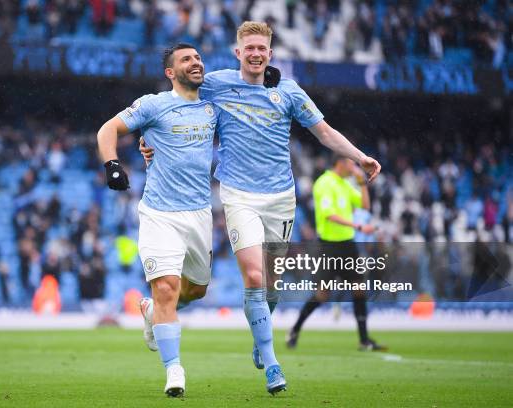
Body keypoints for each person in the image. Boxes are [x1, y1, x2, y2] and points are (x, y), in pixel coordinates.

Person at [141, 21, 381, 395]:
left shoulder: (288, 91)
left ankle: (257, 334)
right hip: (238, 195)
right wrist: (148, 138)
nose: (255, 54)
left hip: (281, 198)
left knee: (271, 286)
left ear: (270, 53)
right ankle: (272, 363)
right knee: (254, 276)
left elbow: (324, 131)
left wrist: (360, 156)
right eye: (248, 48)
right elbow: (173, 102)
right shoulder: (216, 82)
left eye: (261, 49)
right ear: (238, 53)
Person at [96, 43, 218, 398]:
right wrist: (112, 165)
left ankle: (150, 312)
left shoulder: (214, 106)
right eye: (186, 59)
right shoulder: (154, 104)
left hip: (199, 213)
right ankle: (174, 370)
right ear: (170, 72)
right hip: (159, 213)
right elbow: (107, 129)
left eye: (197, 58)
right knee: (166, 288)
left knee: (194, 291)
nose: (195, 63)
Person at [286, 155, 387, 351]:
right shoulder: (324, 183)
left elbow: (365, 206)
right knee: (322, 295)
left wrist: (362, 184)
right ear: (340, 162)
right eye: (351, 163)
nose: (354, 167)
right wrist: (358, 226)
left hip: (347, 245)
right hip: (329, 247)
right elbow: (328, 215)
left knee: (359, 289)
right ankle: (295, 329)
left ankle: (364, 340)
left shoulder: (345, 183)